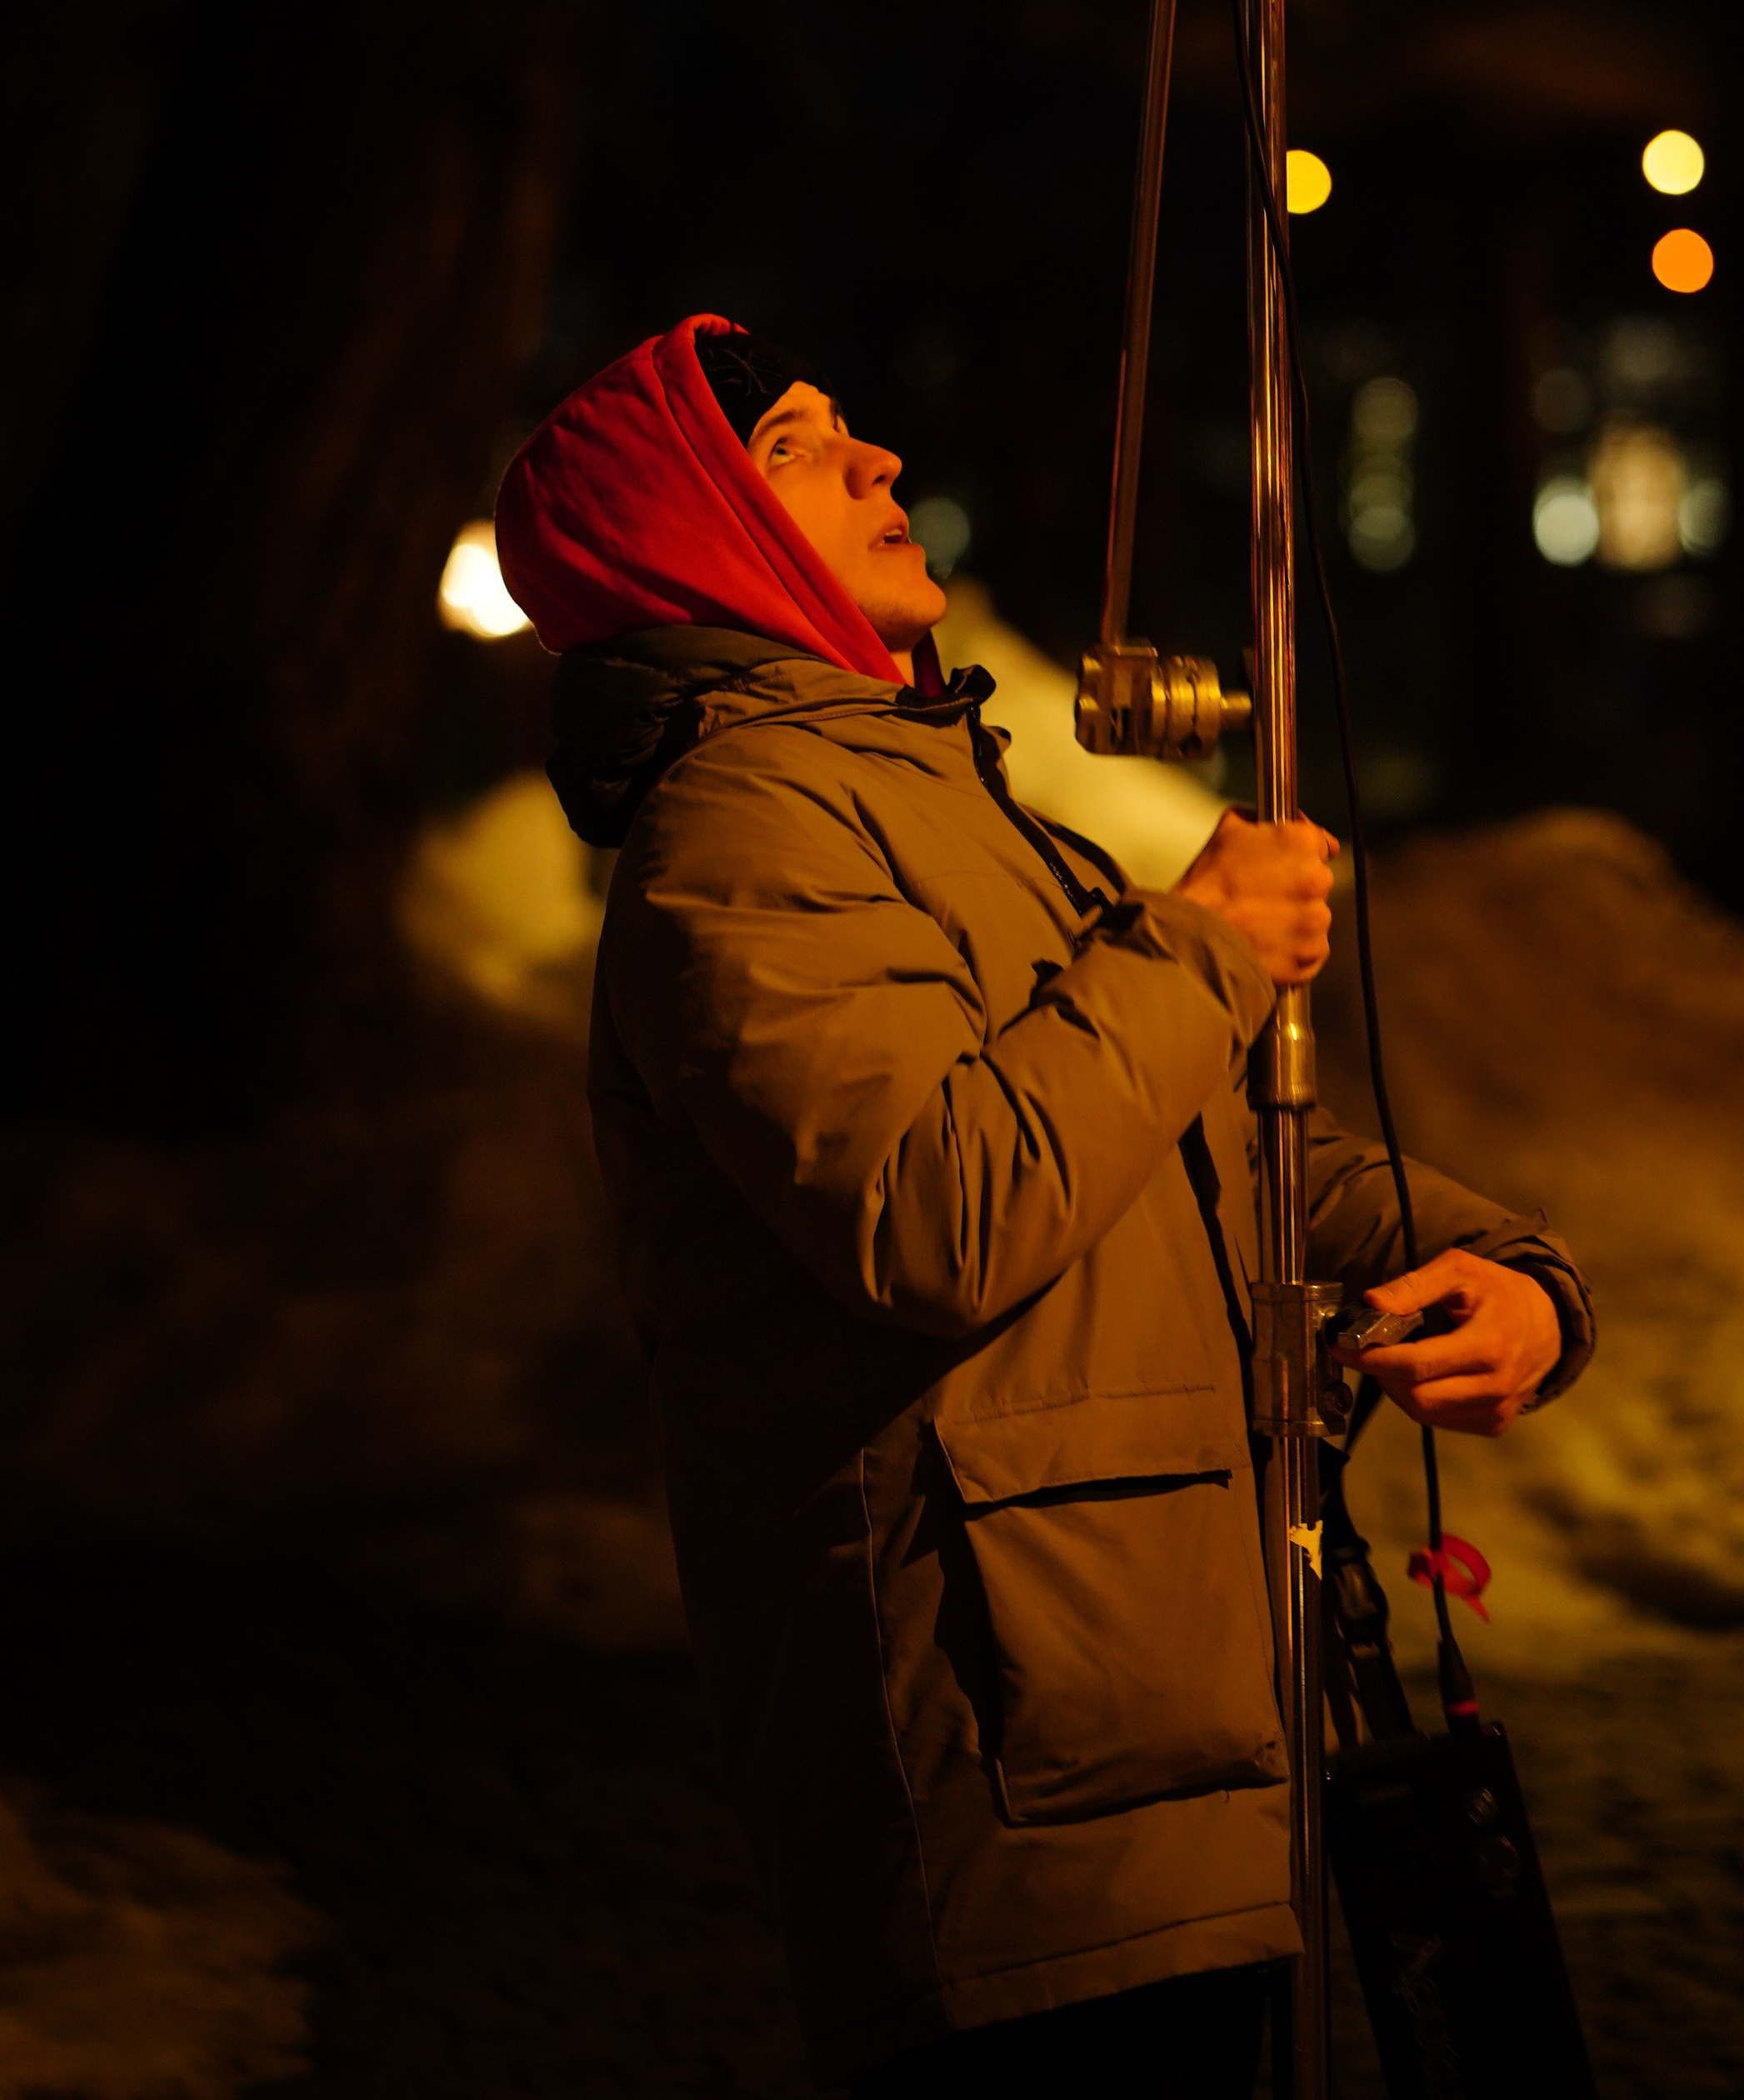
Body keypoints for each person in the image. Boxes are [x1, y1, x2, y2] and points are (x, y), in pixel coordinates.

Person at [496, 312, 1593, 2098]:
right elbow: (936, 1210)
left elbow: (1174, 1145)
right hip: (1012, 1760)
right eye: (798, 444)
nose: (878, 468)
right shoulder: (744, 833)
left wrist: (1504, 1272)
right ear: (696, 529)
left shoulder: (919, 793)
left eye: (859, 431)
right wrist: (1199, 944)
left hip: (1133, 1717)